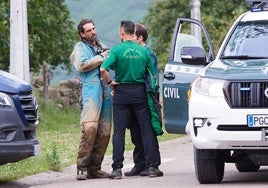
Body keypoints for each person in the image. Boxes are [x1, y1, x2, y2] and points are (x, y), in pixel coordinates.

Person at [100, 20, 163, 179]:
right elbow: (151, 74)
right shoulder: (144, 51)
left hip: (121, 93)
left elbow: (103, 69)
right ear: (133, 32)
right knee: (146, 129)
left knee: (119, 132)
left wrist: (110, 83)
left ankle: (116, 169)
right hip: (140, 92)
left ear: (122, 33)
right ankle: (153, 167)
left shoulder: (116, 50)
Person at [70, 18, 112, 181]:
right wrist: (102, 57)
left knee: (105, 131)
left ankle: (95, 168)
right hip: (90, 92)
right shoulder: (79, 48)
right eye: (89, 30)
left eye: (93, 29)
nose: (93, 32)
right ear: (82, 33)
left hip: (105, 92)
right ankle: (82, 167)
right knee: (90, 129)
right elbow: (82, 65)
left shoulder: (100, 46)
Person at [124, 23, 161, 177]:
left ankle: (153, 164)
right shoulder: (134, 52)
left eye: (132, 35)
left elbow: (150, 77)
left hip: (146, 95)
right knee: (135, 131)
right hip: (135, 95)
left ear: (139, 37)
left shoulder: (148, 53)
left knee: (148, 130)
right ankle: (139, 163)